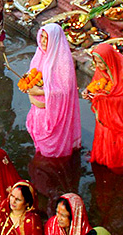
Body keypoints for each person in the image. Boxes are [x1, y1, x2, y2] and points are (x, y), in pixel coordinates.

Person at [24, 24, 81, 157]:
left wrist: (40, 92)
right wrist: (27, 83)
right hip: (38, 109)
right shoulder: (40, 54)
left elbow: (65, 91)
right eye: (42, 37)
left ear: (55, 40)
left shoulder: (63, 61)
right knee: (39, 142)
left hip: (54, 112)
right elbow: (32, 73)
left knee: (52, 151)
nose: (43, 41)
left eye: (47, 38)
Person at [85, 42, 123, 172]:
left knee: (118, 141)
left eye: (101, 63)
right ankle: (104, 157)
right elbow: (96, 84)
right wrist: (90, 93)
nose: (98, 66)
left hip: (120, 118)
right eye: (96, 62)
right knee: (105, 135)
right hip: (105, 116)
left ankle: (119, 163)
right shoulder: (102, 70)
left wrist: (107, 98)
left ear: (109, 61)